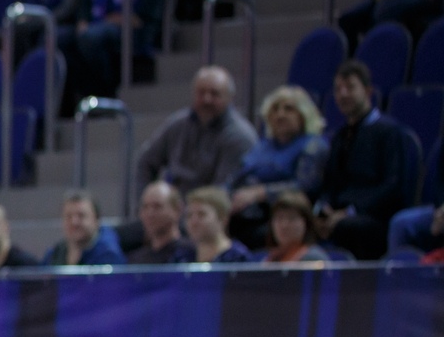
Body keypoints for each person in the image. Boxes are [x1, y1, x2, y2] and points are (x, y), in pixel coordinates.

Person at [314, 60, 411, 261]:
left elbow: (393, 187)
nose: (343, 94)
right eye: (338, 89)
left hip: (374, 215)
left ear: (368, 91)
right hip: (340, 214)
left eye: (350, 87)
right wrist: (324, 209)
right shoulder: (340, 136)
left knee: (348, 227)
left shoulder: (389, 132)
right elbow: (330, 183)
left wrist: (350, 211)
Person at [227, 85, 328, 247]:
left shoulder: (313, 145)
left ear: (303, 114)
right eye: (275, 109)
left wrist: (260, 193)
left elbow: (305, 186)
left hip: (281, 214)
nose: (280, 115)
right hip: (245, 211)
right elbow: (236, 178)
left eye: (289, 109)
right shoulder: (262, 146)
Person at [134, 66, 258, 197]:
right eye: (201, 93)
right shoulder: (178, 124)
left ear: (230, 97)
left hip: (211, 205)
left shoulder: (240, 135)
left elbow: (222, 193)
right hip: (174, 202)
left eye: (214, 93)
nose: (207, 99)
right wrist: (145, 201)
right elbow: (146, 161)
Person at [42, 188, 126, 264]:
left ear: (96, 219)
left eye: (81, 215)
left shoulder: (109, 256)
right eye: (68, 216)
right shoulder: (55, 253)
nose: (74, 222)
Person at [182, 186, 258, 263]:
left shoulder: (238, 258)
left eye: (202, 214)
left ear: (222, 218)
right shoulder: (183, 256)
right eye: (189, 215)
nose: (194, 222)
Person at [126, 181, 190, 264]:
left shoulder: (190, 255)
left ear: (177, 210)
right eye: (145, 207)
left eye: (157, 206)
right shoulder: (135, 261)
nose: (150, 214)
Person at [266, 190, 335, 264]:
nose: (284, 225)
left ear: (306, 223)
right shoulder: (271, 258)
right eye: (279, 218)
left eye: (292, 218)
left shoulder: (313, 258)